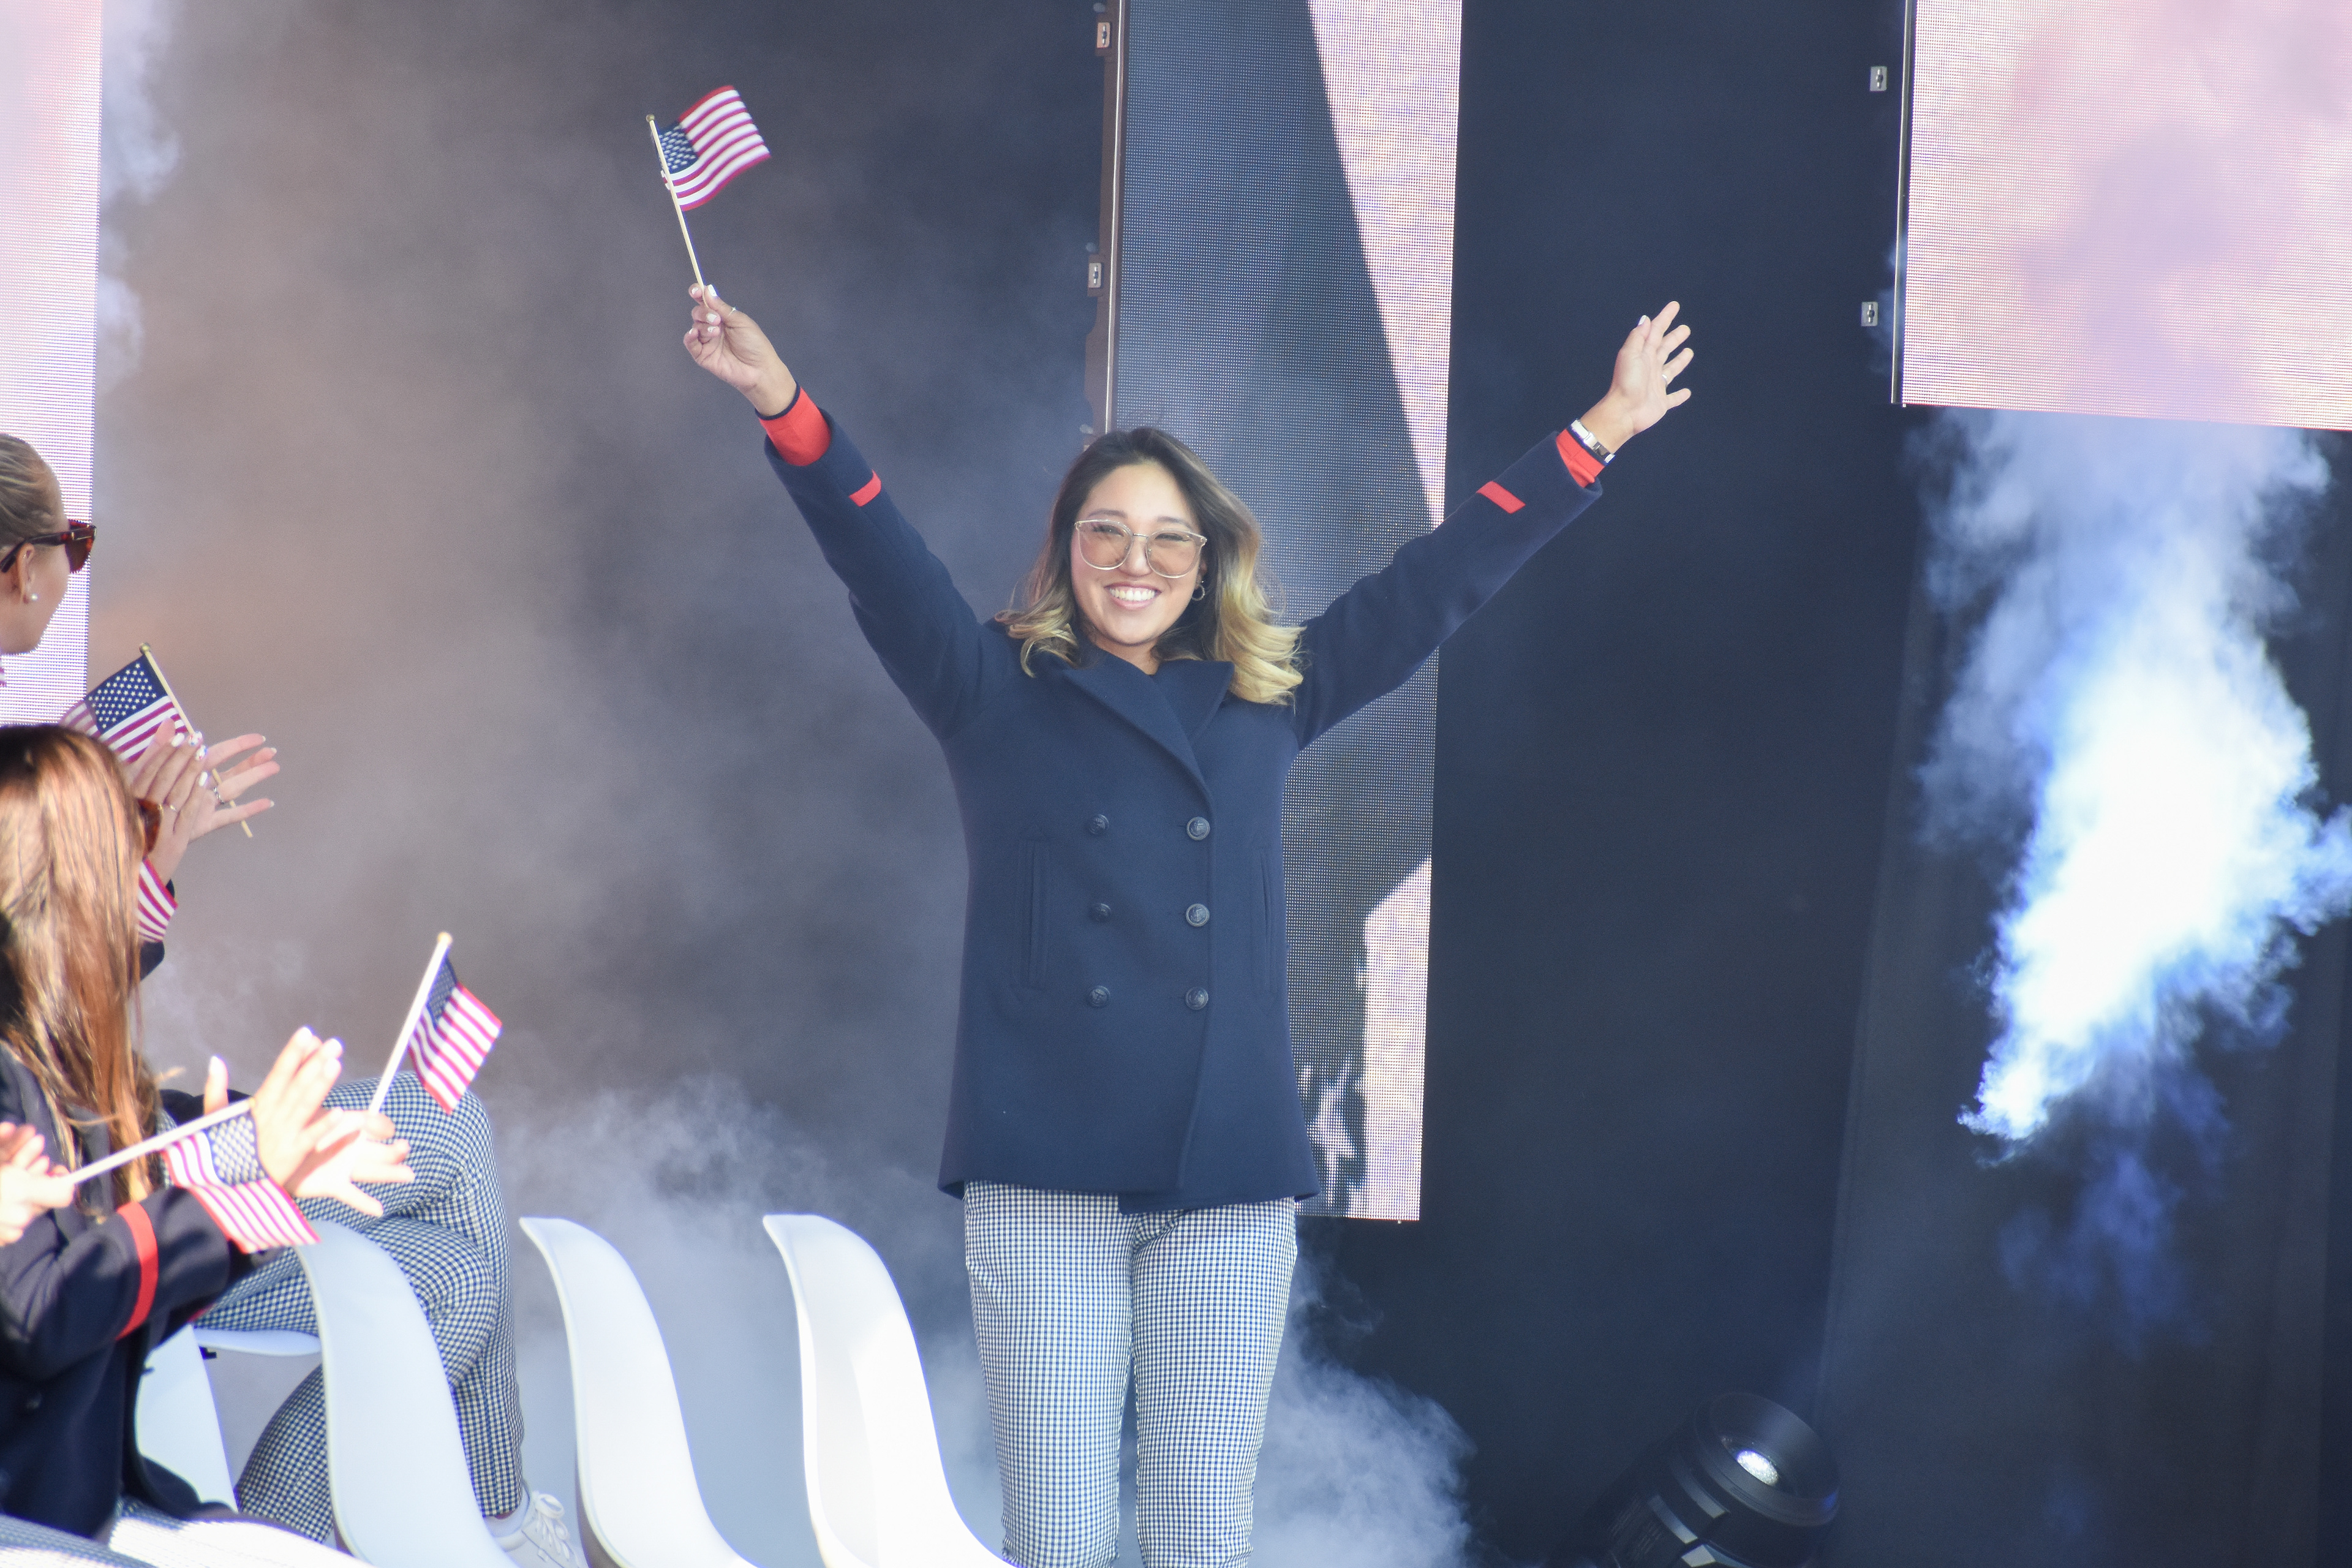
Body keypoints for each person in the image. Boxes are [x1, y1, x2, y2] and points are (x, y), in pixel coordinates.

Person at [682, 282, 1693, 1566]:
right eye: (1106, 533)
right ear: (1066, 552)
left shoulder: (1269, 695)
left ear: (1207, 560)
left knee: (1199, 1535)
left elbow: (1435, 585)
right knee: (1059, 1535)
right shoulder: (987, 685)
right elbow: (875, 550)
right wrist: (782, 400)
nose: (1136, 562)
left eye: (1168, 539)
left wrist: (1597, 432)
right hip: (1043, 1179)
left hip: (1226, 1180)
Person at [0, 438, 571, 1565]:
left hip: (94, 1148)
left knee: (457, 1268)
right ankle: (486, 1529)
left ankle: (435, 1532)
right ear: (24, 565)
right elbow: (34, 1031)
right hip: (85, 1182)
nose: (74, 566)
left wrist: (133, 873)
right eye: (76, 544)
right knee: (450, 1139)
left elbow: (47, 1011)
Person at [0, 724, 409, 1564]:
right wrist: (220, 1203)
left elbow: (105, 1318)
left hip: (78, 1507)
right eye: (127, 837)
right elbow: (39, 1320)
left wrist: (246, 1196)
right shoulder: (13, 1073)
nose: (139, 867)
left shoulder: (46, 1057)